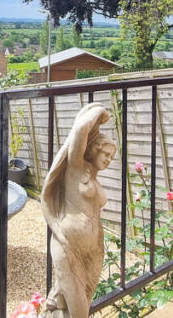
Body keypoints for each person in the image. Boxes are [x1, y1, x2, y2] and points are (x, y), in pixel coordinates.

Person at [41, 103, 117, 318]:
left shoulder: (93, 176)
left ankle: (55, 301)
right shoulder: (75, 167)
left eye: (112, 158)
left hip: (91, 250)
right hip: (68, 246)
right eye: (106, 154)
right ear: (94, 149)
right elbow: (81, 128)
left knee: (80, 301)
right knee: (79, 312)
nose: (109, 160)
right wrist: (99, 113)